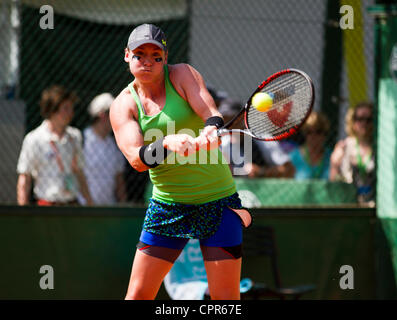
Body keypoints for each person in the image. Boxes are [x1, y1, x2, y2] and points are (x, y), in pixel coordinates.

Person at [110, 23, 251, 300]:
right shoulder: (123, 105)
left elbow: (209, 111)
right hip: (168, 206)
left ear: (165, 57)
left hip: (219, 202)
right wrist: (167, 144)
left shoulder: (182, 74)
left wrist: (211, 128)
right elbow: (136, 159)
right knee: (137, 295)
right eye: (140, 55)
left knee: (225, 299)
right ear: (127, 55)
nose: (148, 61)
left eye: (156, 56)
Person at [16, 85, 93, 206]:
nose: (71, 113)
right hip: (46, 206)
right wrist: (22, 211)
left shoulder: (75, 137)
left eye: (71, 108)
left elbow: (80, 173)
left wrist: (90, 204)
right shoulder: (34, 139)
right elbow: (25, 177)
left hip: (72, 204)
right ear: (52, 110)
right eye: (65, 108)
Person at [217, 98, 295, 178]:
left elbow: (289, 169)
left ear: (241, 118)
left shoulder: (263, 138)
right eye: (224, 119)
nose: (228, 123)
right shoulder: (222, 145)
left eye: (231, 118)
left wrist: (261, 172)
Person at [79, 93, 127, 205]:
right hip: (83, 208)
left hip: (109, 209)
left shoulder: (115, 145)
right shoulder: (82, 140)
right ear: (102, 115)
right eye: (114, 113)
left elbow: (119, 179)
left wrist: (123, 203)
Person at [329, 101, 375, 204]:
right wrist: (334, 165)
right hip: (349, 201)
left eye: (368, 120)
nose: (364, 123)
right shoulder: (344, 147)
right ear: (352, 122)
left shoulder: (379, 147)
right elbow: (333, 180)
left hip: (374, 201)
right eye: (360, 119)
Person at [289, 111, 331, 180]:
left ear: (325, 134)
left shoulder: (331, 157)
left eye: (318, 131)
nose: (313, 136)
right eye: (309, 132)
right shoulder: (293, 157)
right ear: (305, 134)